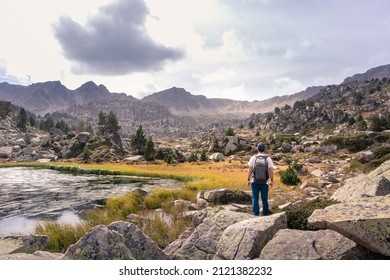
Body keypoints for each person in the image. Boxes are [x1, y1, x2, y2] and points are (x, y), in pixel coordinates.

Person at [247, 142, 274, 216]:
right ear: (264, 149)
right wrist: (271, 181)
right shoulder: (268, 159)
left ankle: (255, 214)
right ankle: (265, 214)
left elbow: (250, 170)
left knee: (255, 198)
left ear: (257, 149)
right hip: (264, 182)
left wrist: (248, 179)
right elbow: (271, 171)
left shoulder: (253, 158)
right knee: (264, 199)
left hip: (254, 181)